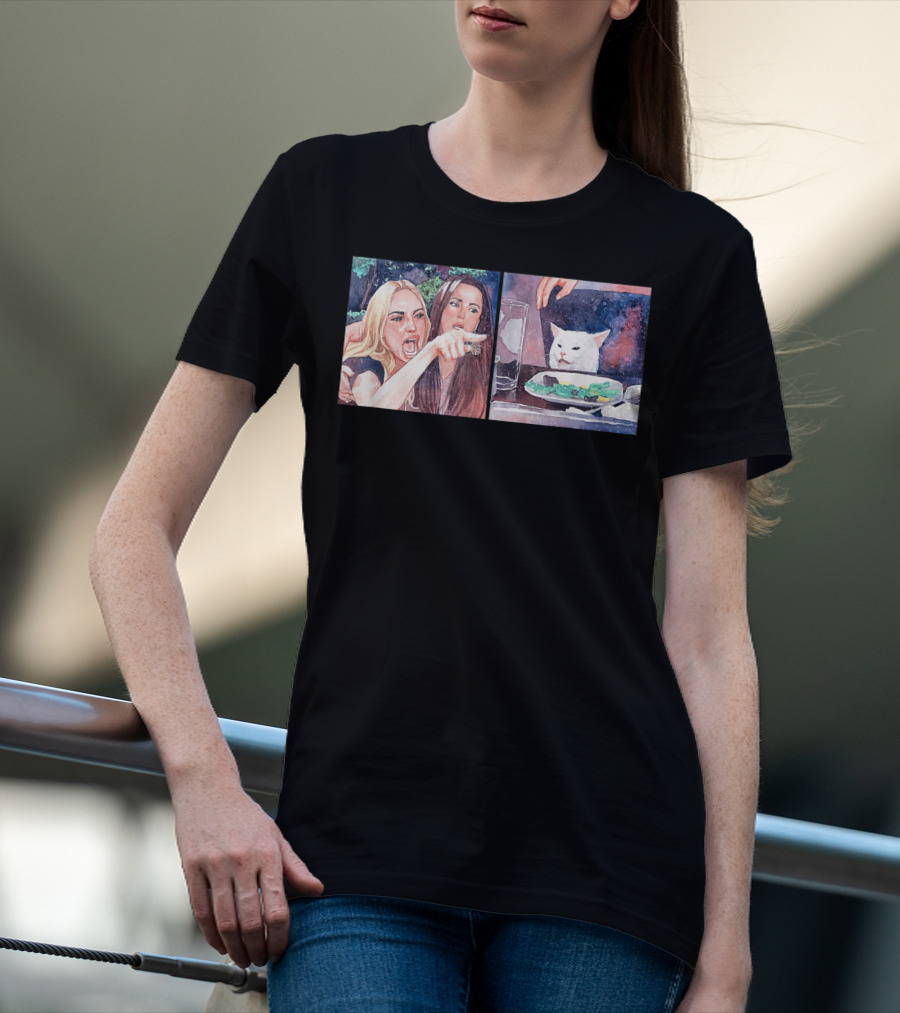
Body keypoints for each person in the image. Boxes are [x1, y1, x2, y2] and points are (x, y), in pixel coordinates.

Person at [88, 1, 794, 1011]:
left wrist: (726, 956)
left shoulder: (697, 254)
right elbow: (132, 530)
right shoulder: (323, 195)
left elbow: (712, 637)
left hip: (607, 880)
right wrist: (203, 777)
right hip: (353, 866)